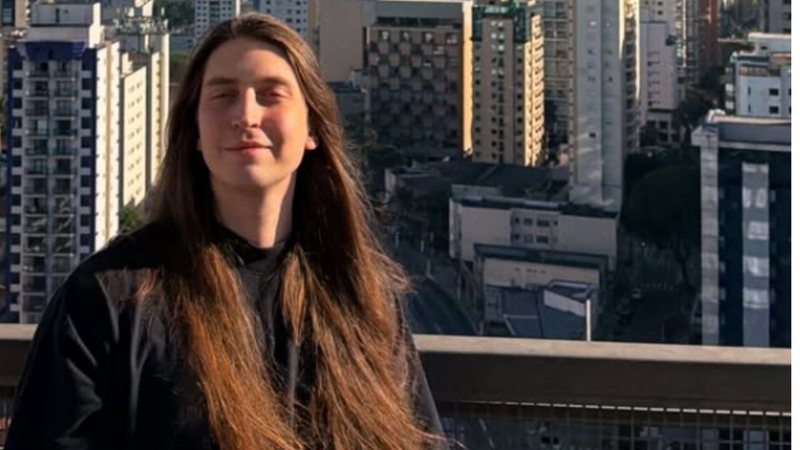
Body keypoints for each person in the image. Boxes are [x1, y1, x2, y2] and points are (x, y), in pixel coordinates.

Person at [5, 13, 447, 450]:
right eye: (223, 95)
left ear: (312, 127)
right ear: (195, 131)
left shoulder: (361, 294)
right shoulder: (109, 301)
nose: (246, 115)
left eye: (271, 94)